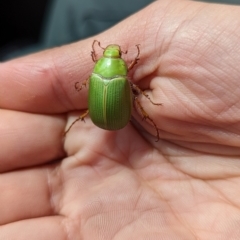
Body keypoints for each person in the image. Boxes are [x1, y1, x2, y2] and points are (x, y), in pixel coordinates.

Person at [1, 0, 240, 238]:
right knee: (136, 97)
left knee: (74, 9)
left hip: (100, 115)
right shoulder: (124, 77)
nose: (113, 52)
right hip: (113, 115)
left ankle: (72, 112)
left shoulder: (94, 76)